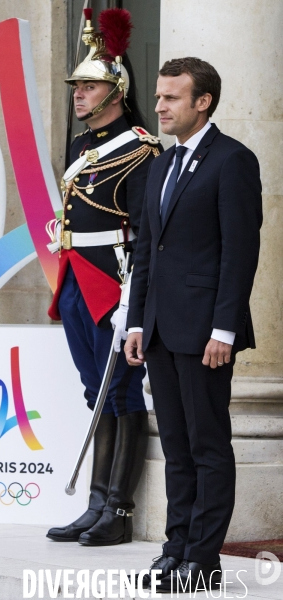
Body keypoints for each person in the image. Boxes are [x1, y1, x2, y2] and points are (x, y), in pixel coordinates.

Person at [125, 57, 262, 592]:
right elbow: (146, 252)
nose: (159, 106)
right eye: (158, 96)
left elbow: (239, 253)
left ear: (202, 102)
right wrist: (135, 321)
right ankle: (175, 549)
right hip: (158, 329)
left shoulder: (233, 161)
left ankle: (203, 562)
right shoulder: (160, 164)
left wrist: (224, 330)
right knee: (177, 449)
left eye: (170, 98)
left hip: (206, 334)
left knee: (207, 447)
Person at [45, 8, 162, 546]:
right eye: (77, 86)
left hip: (112, 280)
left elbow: (144, 233)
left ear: (116, 90)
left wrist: (132, 300)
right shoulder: (80, 146)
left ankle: (118, 510)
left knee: (121, 391)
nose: (78, 93)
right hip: (75, 277)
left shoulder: (140, 148)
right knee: (97, 392)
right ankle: (95, 503)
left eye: (89, 86)